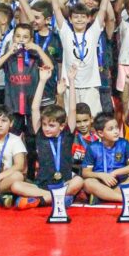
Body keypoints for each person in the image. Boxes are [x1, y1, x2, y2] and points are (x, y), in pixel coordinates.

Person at [9, 68, 84, 208]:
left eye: (51, 125)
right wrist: (42, 80)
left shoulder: (67, 134)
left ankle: (41, 200)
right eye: (44, 124)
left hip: (64, 183)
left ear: (62, 126)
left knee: (79, 181)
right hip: (42, 186)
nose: (46, 128)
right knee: (15, 186)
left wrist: (72, 81)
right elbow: (34, 109)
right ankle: (58, 199)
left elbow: (73, 109)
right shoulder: (40, 135)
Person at [80, 111, 129, 204]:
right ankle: (125, 198)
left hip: (120, 181)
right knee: (87, 183)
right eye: (111, 129)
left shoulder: (124, 143)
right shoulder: (93, 147)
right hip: (100, 182)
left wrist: (116, 172)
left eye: (116, 127)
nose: (116, 131)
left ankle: (102, 196)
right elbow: (85, 173)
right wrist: (102, 175)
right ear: (100, 133)